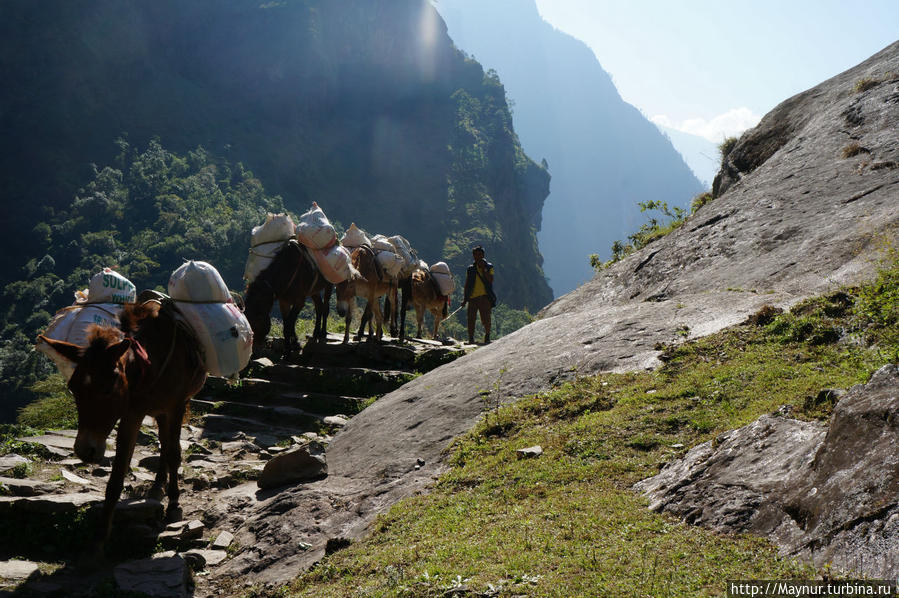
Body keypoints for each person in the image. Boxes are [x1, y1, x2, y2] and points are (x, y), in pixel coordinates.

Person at [462, 245, 495, 344]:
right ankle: (471, 338)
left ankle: (487, 336)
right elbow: (467, 284)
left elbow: (491, 279)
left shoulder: (489, 267)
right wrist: (465, 299)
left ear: (483, 255)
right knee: (471, 319)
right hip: (472, 298)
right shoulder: (470, 269)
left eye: (479, 254)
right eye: (475, 254)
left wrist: (484, 269)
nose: (477, 256)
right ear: (473, 256)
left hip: (485, 297)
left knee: (486, 319)